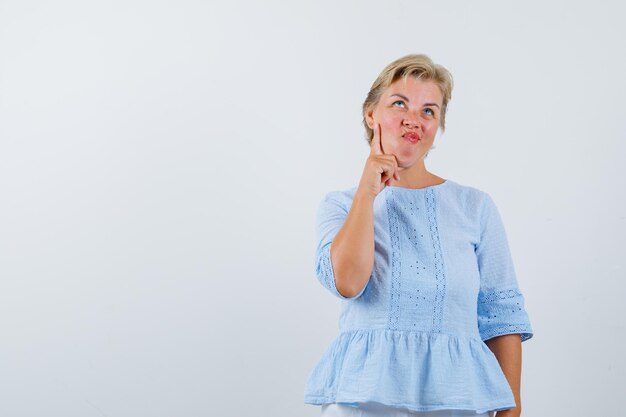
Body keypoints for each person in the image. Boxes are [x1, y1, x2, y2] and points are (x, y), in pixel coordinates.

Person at [303, 54, 533, 417]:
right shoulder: (341, 205)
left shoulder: (474, 207)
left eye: (429, 110)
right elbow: (347, 282)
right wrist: (367, 192)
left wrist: (510, 413)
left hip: (458, 402)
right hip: (361, 401)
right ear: (370, 114)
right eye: (399, 103)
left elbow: (502, 316)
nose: (414, 119)